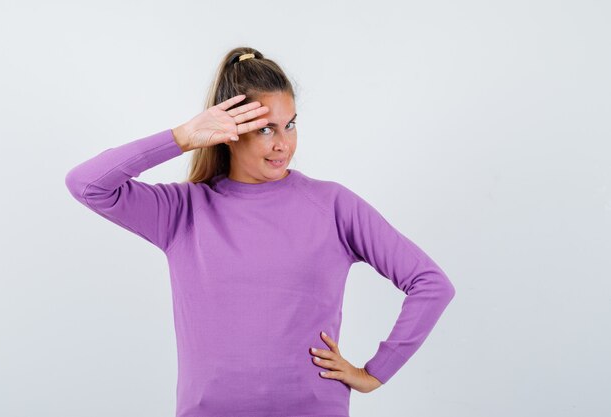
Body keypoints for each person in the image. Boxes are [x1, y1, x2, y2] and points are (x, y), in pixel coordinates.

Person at [65, 46, 456, 417]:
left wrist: (374, 373)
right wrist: (183, 137)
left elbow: (430, 283)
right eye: (266, 129)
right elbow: (87, 184)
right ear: (229, 130)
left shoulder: (333, 206)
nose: (283, 144)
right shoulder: (183, 211)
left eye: (290, 125)